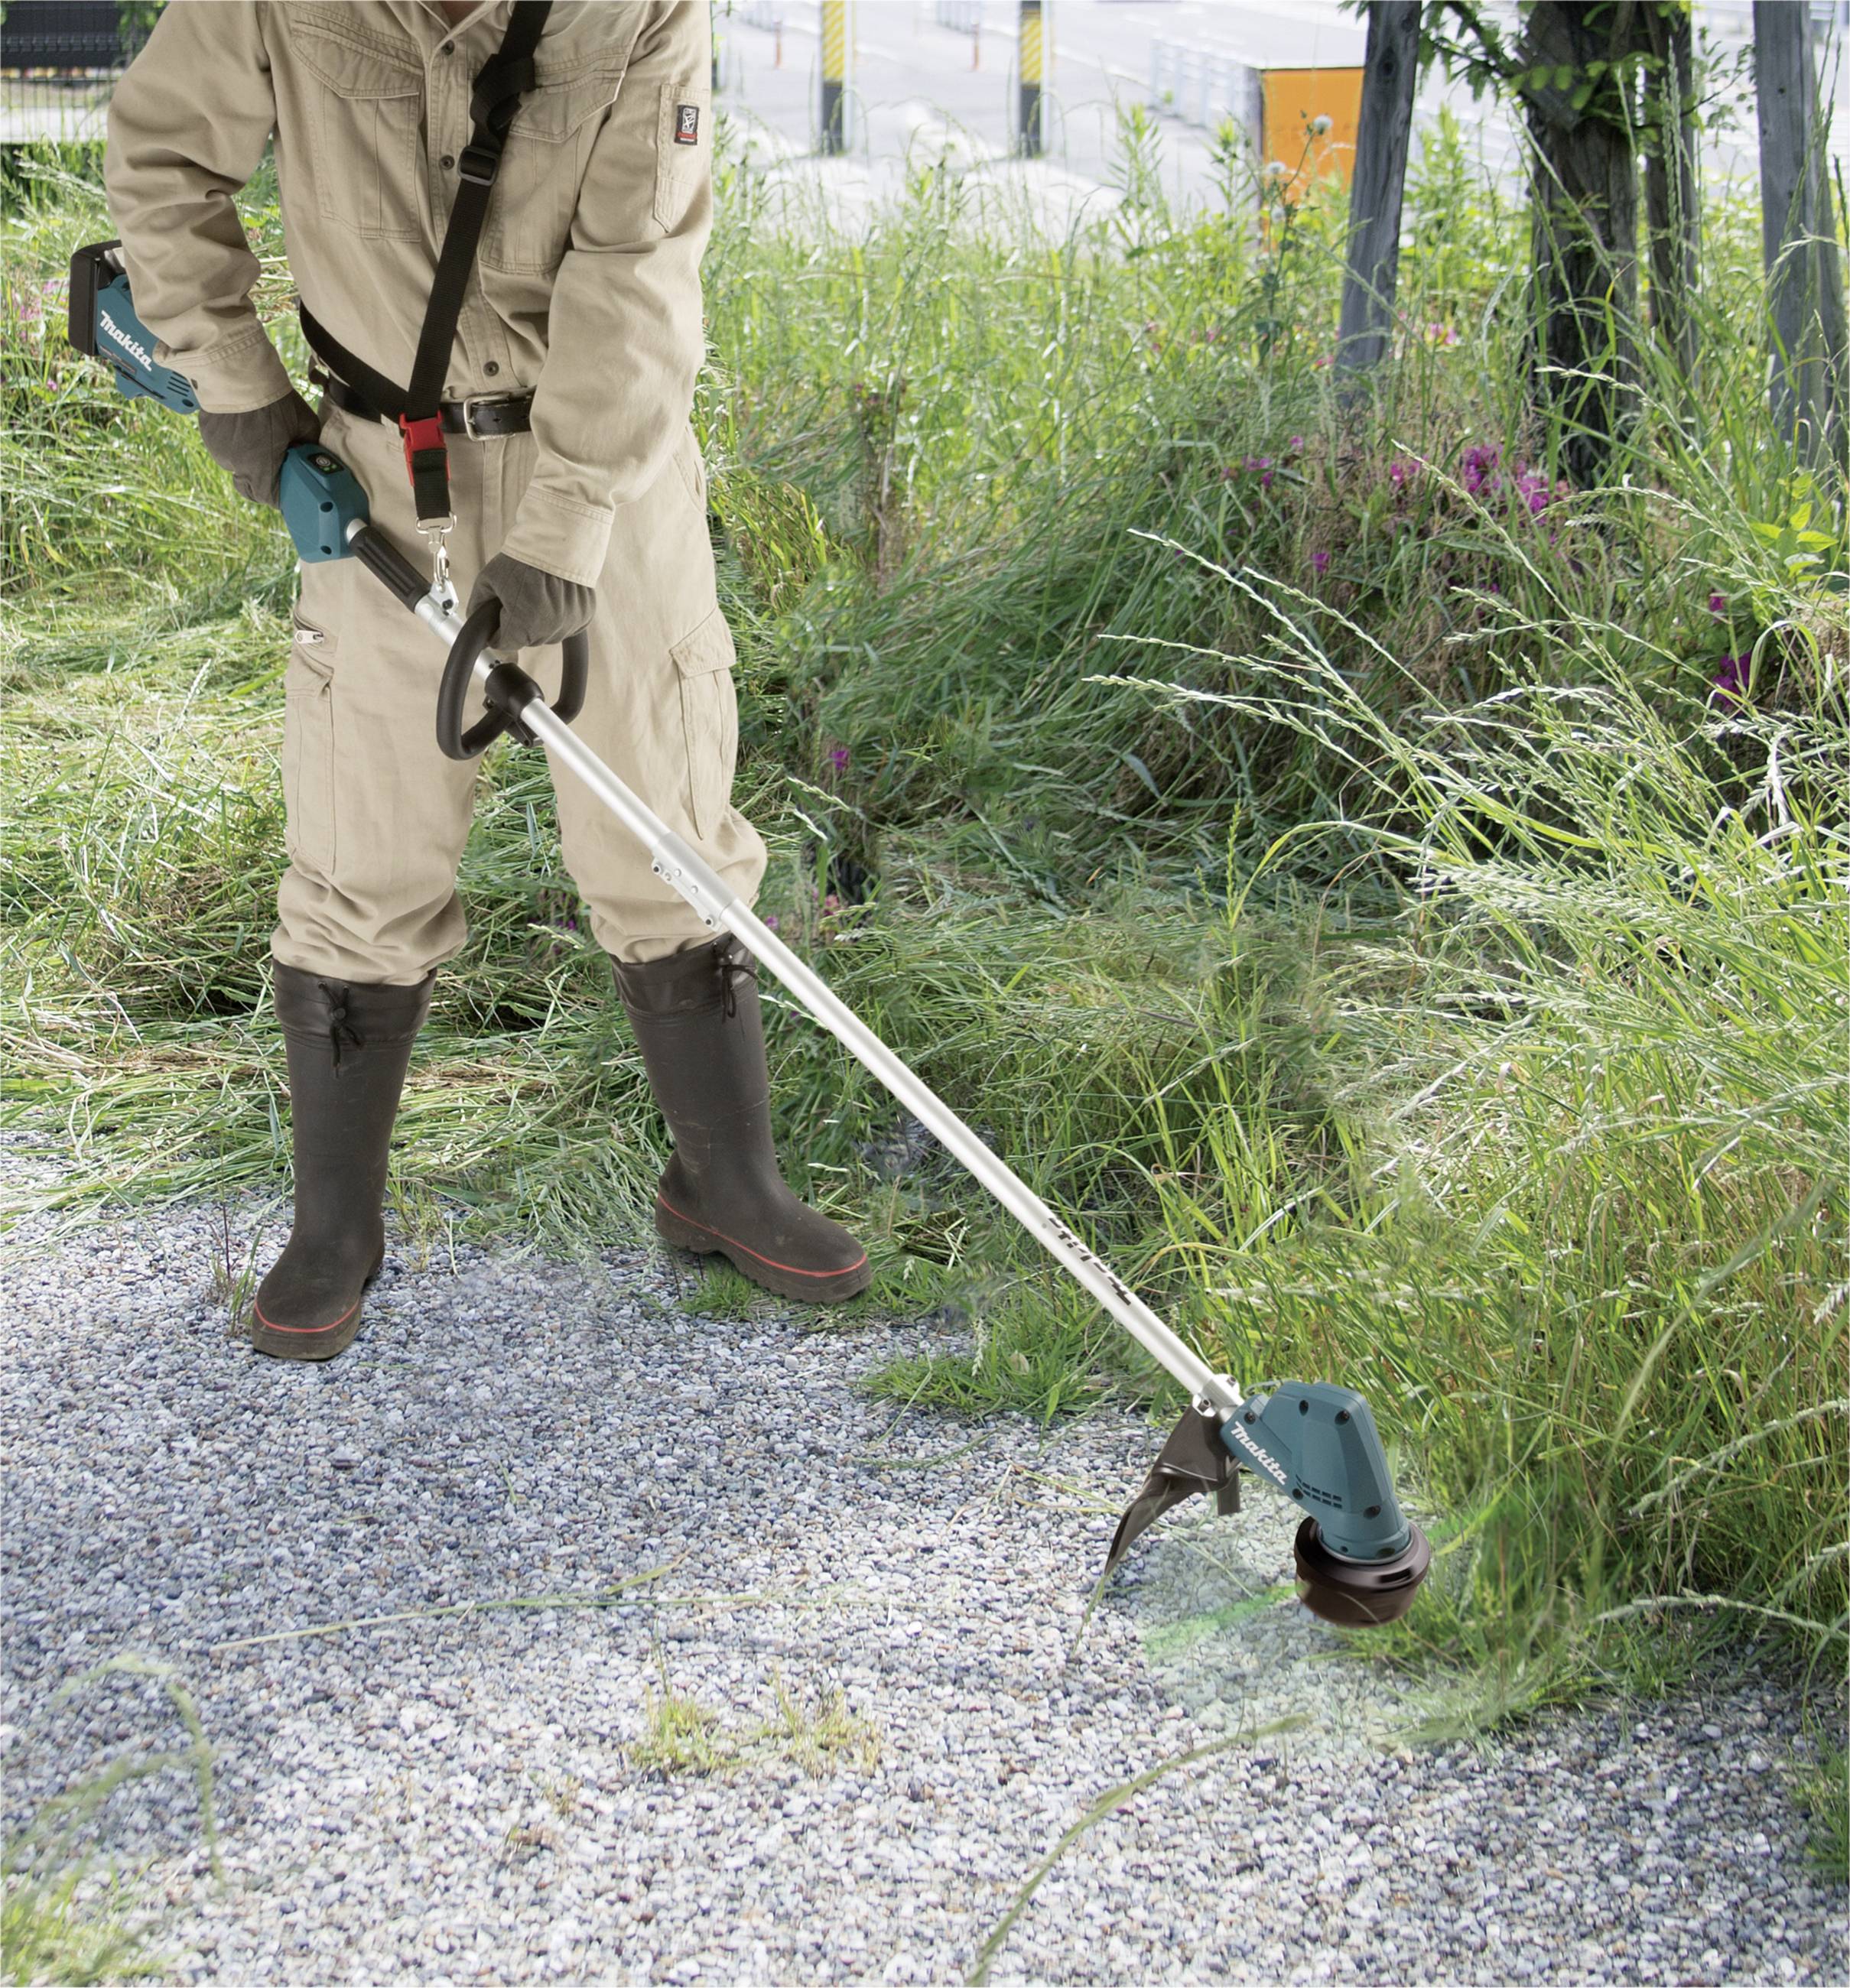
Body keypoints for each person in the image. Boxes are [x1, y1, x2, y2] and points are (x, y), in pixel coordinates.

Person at [104, 0, 870, 1362]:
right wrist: (241, 396)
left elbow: (643, 262)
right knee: (360, 858)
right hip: (380, 469)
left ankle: (724, 1181)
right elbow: (165, 154)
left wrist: (567, 527)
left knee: (666, 837)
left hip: (609, 472)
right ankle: (336, 1223)